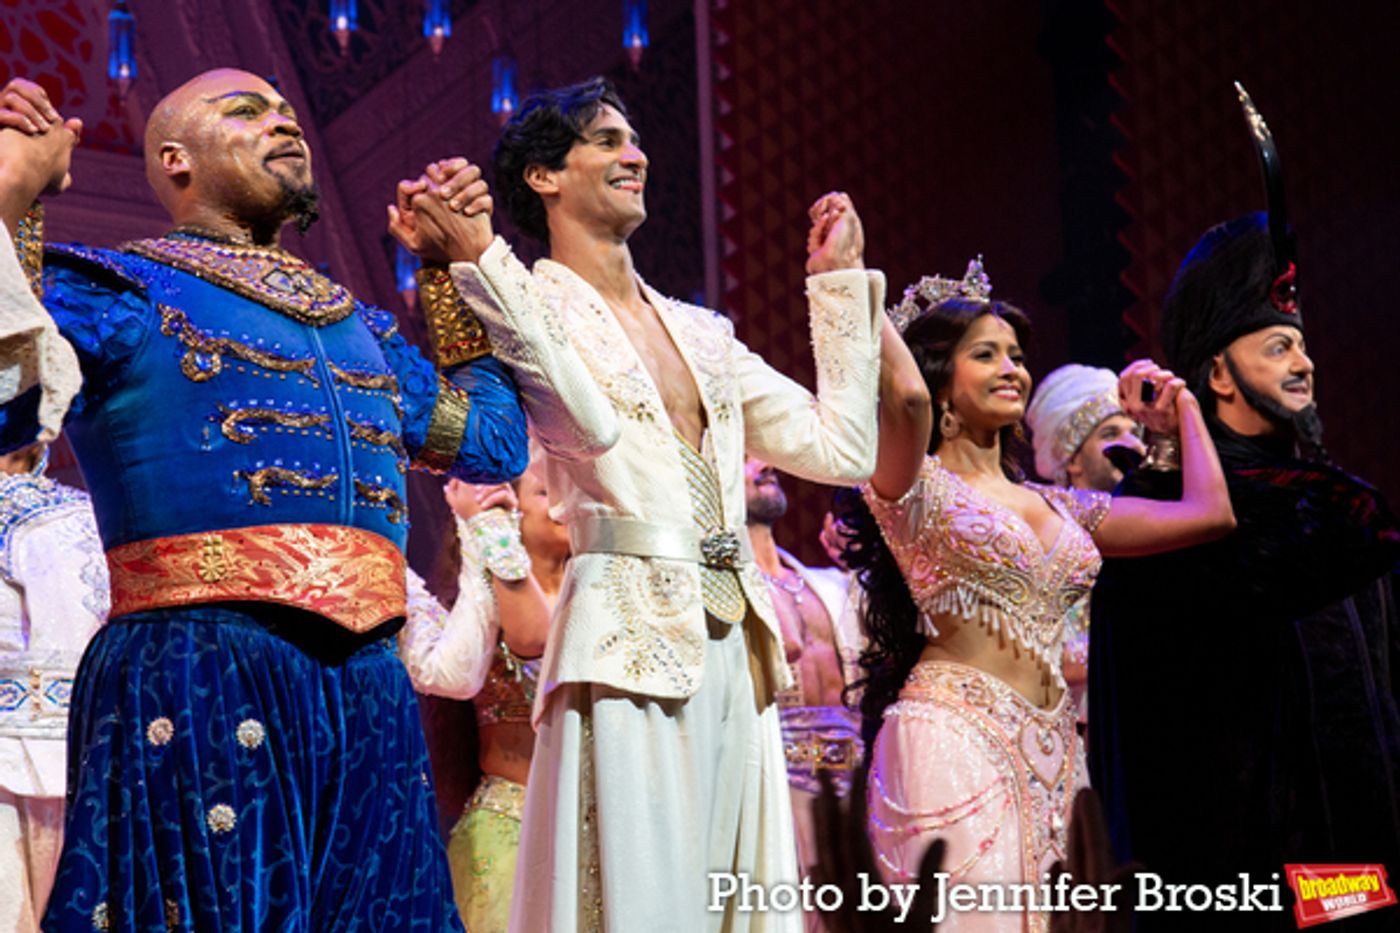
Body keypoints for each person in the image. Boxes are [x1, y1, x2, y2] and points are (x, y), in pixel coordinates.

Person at [0, 69, 586, 931]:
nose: (284, 123)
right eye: (246, 112)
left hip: (370, 689)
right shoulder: (115, 291)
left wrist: (449, 268)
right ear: (175, 159)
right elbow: (8, 400)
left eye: (287, 112)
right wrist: (13, 195)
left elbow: (492, 443)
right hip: (200, 670)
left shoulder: (361, 328)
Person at [391, 77, 885, 932]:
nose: (636, 155)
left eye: (635, 140)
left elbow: (843, 449)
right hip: (624, 639)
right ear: (545, 176)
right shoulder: (524, 299)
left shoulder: (703, 332)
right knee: (645, 908)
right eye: (608, 140)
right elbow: (586, 425)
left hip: (737, 642)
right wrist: (481, 255)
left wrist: (837, 287)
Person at [849, 261, 1234, 932]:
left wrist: (1184, 413)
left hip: (1058, 750)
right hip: (954, 738)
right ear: (939, 378)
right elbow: (905, 401)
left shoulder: (1058, 505)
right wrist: (855, 282)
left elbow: (1210, 513)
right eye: (986, 354)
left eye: (1018, 356)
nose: (1012, 369)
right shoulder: (912, 486)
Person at [1088, 212, 1400, 931]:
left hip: (1354, 874)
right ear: (1219, 373)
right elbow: (1152, 734)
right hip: (1243, 887)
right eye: (1279, 346)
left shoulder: (1333, 505)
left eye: (1303, 345)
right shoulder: (1173, 515)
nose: (1305, 363)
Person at [399, 458, 565, 933]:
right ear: (510, 510)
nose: (565, 506)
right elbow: (535, 638)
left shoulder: (601, 594)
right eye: (546, 493)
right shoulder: (480, 607)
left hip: (594, 821)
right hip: (510, 831)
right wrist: (489, 530)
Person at [745, 457, 864, 933]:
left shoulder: (831, 585)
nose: (764, 464)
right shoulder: (723, 591)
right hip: (776, 785)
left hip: (856, 784)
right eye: (745, 457)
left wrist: (864, 563)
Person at [1024, 365, 1146, 726]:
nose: (1132, 445)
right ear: (1072, 458)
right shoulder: (1045, 537)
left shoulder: (1151, 529)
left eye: (1134, 431)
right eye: (1111, 433)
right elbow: (1033, 659)